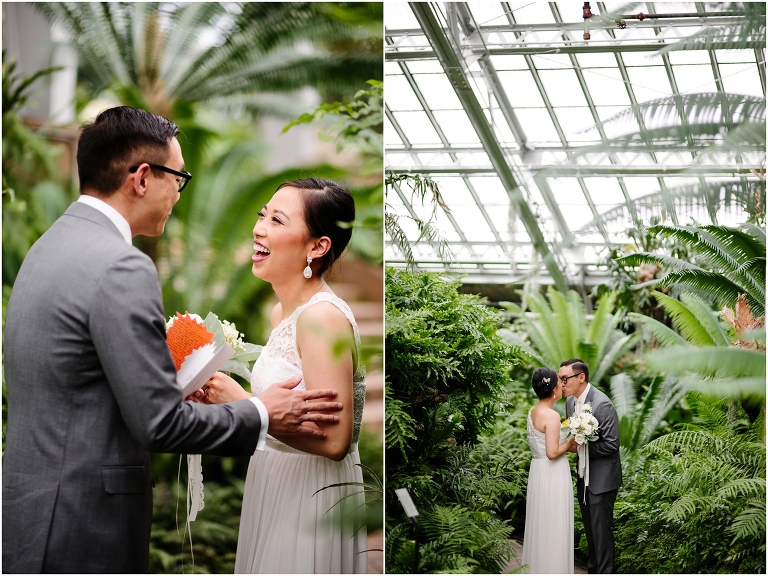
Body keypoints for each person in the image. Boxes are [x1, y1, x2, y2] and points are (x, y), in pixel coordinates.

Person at [2, 107, 343, 574]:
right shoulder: (122, 265)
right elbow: (159, 425)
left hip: (30, 506)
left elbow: (75, 379)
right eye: (178, 178)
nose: (178, 194)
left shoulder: (49, 246)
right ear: (142, 178)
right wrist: (262, 410)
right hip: (83, 520)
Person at [201, 178, 368, 573]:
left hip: (310, 491)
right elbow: (285, 406)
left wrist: (243, 405)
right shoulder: (283, 314)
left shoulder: (321, 318)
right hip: (275, 479)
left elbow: (334, 441)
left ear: (317, 246)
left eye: (277, 220)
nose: (259, 228)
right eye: (262, 216)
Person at [560, 358, 621, 574]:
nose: (562, 384)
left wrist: (582, 448)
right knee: (591, 534)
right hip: (582, 476)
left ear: (581, 377)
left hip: (602, 481)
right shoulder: (569, 403)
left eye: (565, 378)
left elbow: (612, 445)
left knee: (601, 535)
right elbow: (570, 432)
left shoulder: (602, 404)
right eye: (560, 379)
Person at [521, 367, 578, 573]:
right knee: (554, 525)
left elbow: (549, 446)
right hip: (553, 474)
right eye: (559, 382)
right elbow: (553, 452)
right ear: (553, 389)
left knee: (542, 525)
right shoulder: (552, 416)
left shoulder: (534, 411)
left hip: (538, 473)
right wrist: (572, 439)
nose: (562, 386)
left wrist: (574, 441)